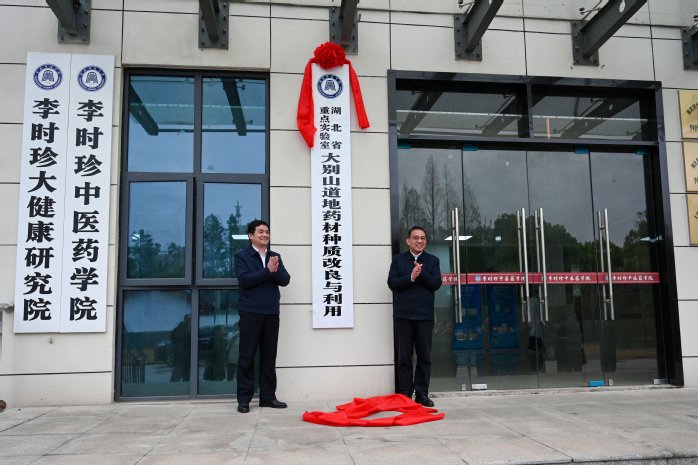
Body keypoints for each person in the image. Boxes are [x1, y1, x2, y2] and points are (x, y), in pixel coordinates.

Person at [234, 220, 291, 413]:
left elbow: (285, 280)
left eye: (267, 231)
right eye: (260, 232)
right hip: (250, 313)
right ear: (251, 236)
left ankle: (268, 397)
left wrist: (273, 271)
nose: (265, 234)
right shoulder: (242, 256)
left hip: (271, 313)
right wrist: (268, 271)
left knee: (269, 357)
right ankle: (244, 400)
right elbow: (245, 280)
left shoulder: (275, 256)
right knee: (247, 357)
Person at [387, 226, 442, 407]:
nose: (420, 241)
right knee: (404, 357)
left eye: (423, 238)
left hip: (424, 317)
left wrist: (421, 273)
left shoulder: (432, 261)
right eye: (416, 238)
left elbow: (436, 284)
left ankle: (422, 393)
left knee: (424, 356)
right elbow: (392, 283)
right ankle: (405, 393)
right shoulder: (399, 260)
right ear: (408, 240)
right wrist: (410, 277)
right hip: (403, 316)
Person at [169, 314, 191, 382]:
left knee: (184, 377)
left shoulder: (183, 329)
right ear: (186, 320)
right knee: (178, 376)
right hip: (182, 358)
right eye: (190, 319)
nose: (191, 321)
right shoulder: (183, 329)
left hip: (184, 358)